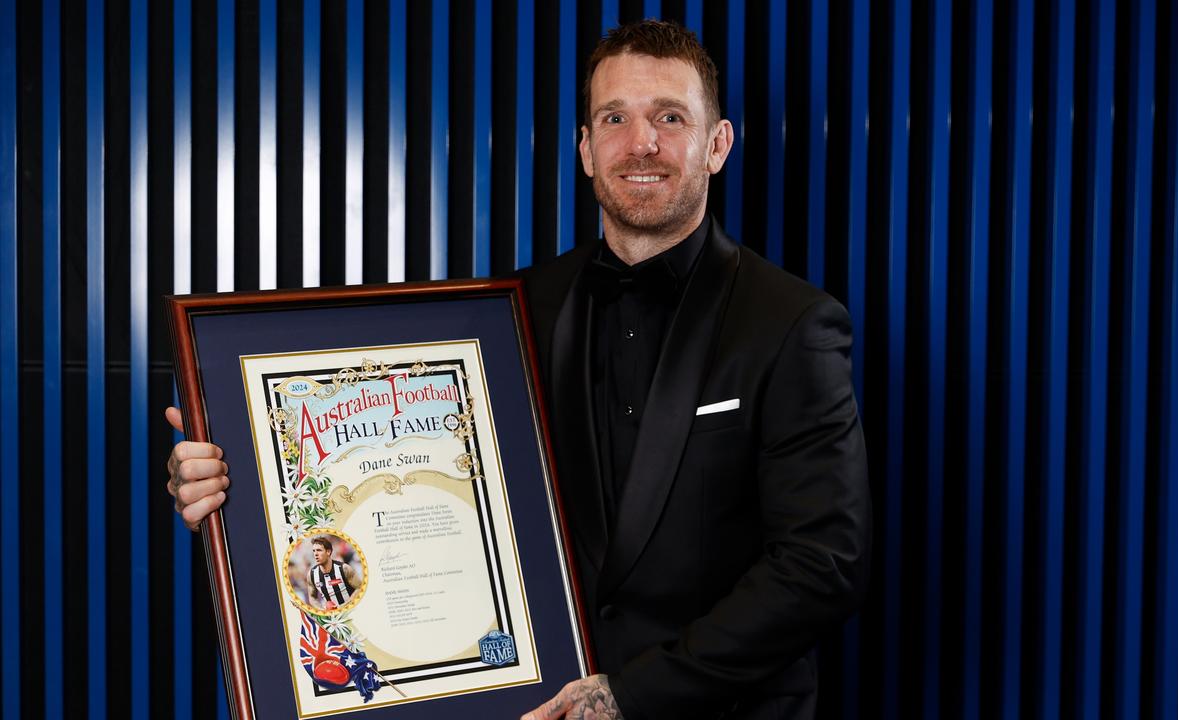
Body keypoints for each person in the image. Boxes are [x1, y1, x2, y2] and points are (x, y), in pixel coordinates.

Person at [167, 20, 870, 720]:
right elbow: (392, 477)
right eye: (614, 117)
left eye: (671, 117)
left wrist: (631, 694)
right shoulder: (510, 312)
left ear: (716, 145)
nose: (642, 143)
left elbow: (821, 566)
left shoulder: (792, 324)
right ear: (587, 149)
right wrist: (235, 484)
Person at [306, 535, 359, 610]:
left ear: (328, 552)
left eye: (319, 550)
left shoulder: (344, 569)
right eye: (314, 551)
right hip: (333, 618)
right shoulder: (311, 574)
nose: (315, 554)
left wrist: (345, 605)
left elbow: (359, 588)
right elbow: (312, 597)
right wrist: (322, 609)